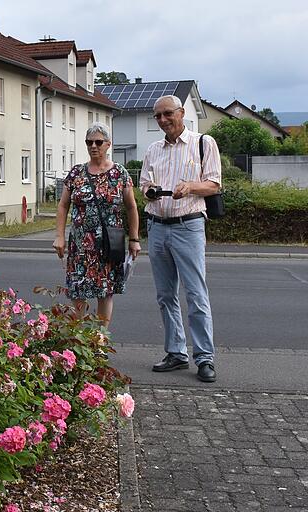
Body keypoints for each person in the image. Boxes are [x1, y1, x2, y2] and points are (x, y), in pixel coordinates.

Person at [140, 95, 222, 383]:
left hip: (188, 226)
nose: (162, 120)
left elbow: (214, 184)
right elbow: (144, 184)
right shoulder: (153, 149)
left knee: (196, 294)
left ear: (182, 113)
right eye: (157, 116)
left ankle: (204, 358)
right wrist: (149, 191)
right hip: (158, 226)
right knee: (165, 295)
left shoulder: (203, 142)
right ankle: (176, 352)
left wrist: (190, 187)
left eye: (167, 114)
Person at [53, 122, 141, 329]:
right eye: (89, 142)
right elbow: (63, 205)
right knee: (78, 292)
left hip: (109, 244)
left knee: (105, 292)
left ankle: (99, 341)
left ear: (108, 144)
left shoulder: (119, 173)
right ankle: (78, 343)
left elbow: (131, 207)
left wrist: (134, 240)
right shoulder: (76, 173)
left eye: (98, 142)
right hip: (81, 246)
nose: (94, 146)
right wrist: (60, 236)